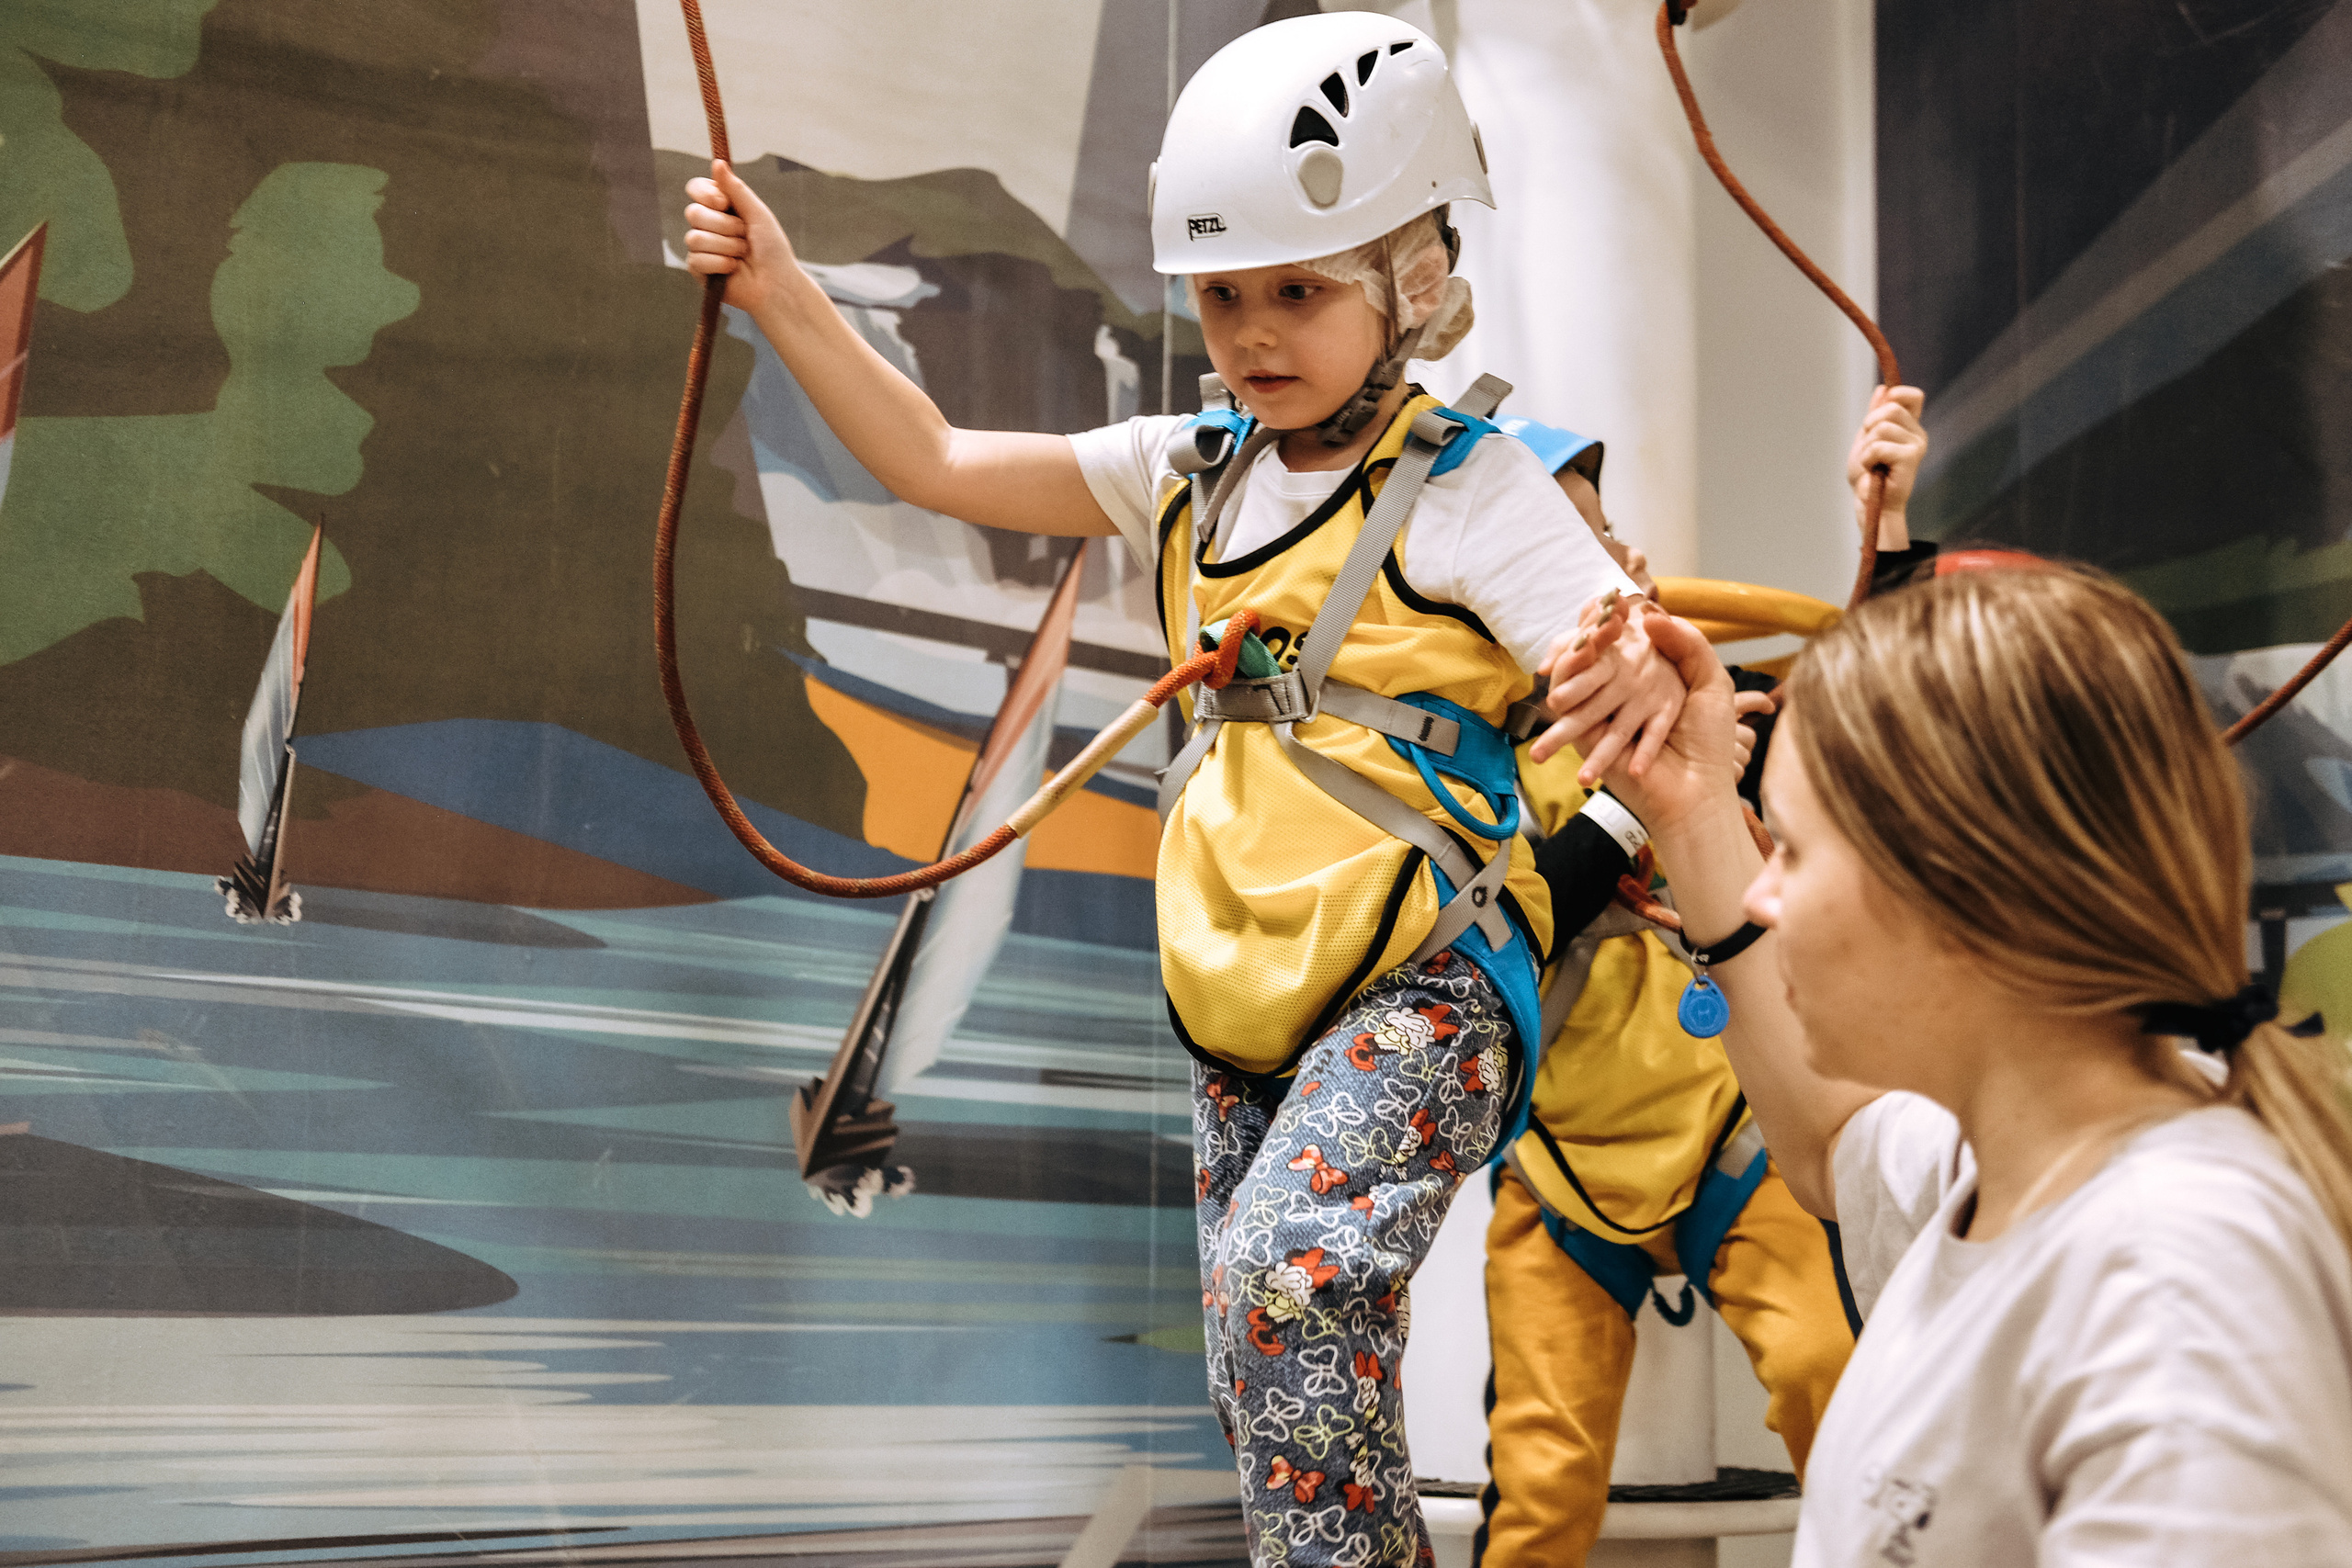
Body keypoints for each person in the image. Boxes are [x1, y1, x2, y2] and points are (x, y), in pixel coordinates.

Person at [679, 15, 1679, 1562]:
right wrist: (779, 287)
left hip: (1430, 978)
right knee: (1252, 1350)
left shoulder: (1479, 490)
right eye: (1224, 294)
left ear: (1414, 279)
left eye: (1301, 290)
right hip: (1242, 993)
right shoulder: (1187, 469)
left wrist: (1636, 718)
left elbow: (1654, 697)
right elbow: (936, 459)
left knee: (1293, 1282)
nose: (1255, 332)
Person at [1537, 555, 2352, 1562]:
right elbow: (1829, 1139)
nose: (1763, 899)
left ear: (1959, 878)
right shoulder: (2002, 1167)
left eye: (1791, 847)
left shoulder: (2171, 1280)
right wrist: (1695, 808)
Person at [1477, 389, 1926, 1566]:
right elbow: (1519, 917)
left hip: (1740, 1135)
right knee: (1540, 1483)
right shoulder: (1464, 769)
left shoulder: (1721, 713)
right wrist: (1647, 801)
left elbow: (1878, 713)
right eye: (1540, 545)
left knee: (1842, 1393)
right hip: (1560, 1164)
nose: (1593, 558)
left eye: (1589, 535)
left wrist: (1885, 531)